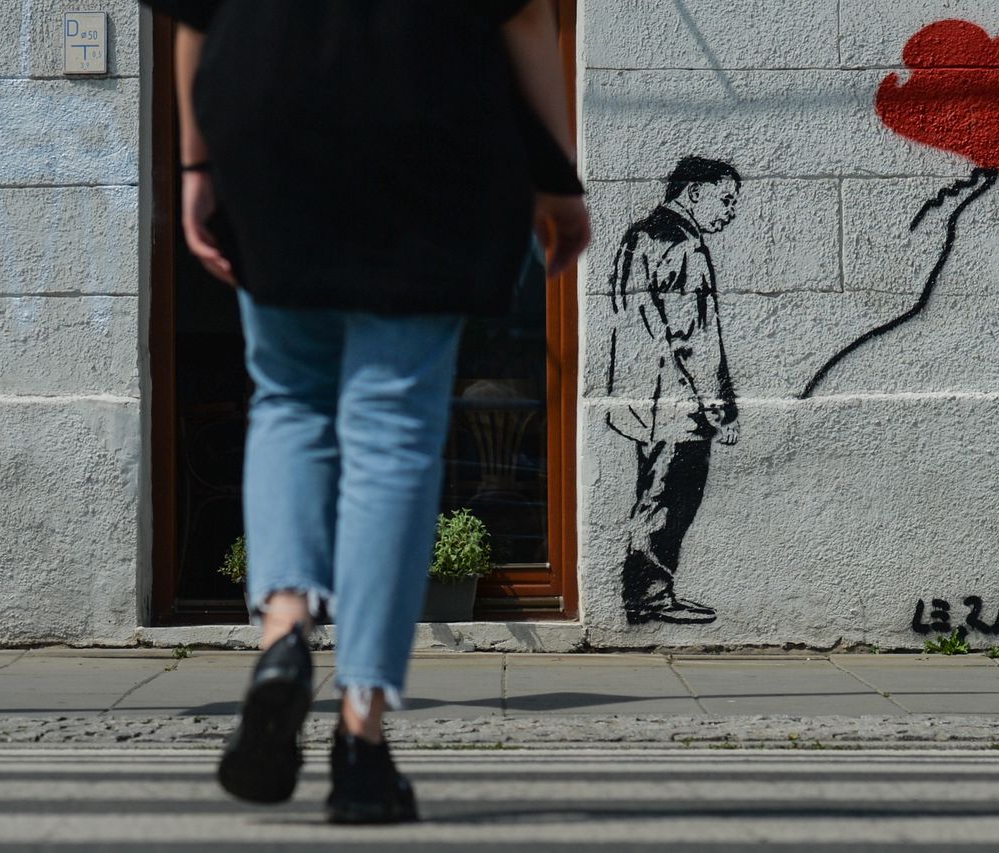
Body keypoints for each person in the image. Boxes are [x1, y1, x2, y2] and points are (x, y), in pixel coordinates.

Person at [144, 0, 590, 824]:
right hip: (428, 117)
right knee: (393, 430)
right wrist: (557, 177)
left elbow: (192, 16)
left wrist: (197, 166)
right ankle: (361, 740)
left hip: (266, 108)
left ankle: (283, 630)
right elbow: (525, 19)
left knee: (287, 396)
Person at [604, 157, 741, 626]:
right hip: (679, 403)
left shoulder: (638, 237)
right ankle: (649, 593)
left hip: (643, 397)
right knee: (672, 497)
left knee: (653, 492)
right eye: (725, 200)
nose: (730, 212)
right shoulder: (685, 247)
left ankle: (645, 591)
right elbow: (694, 337)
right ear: (694, 192)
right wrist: (720, 408)